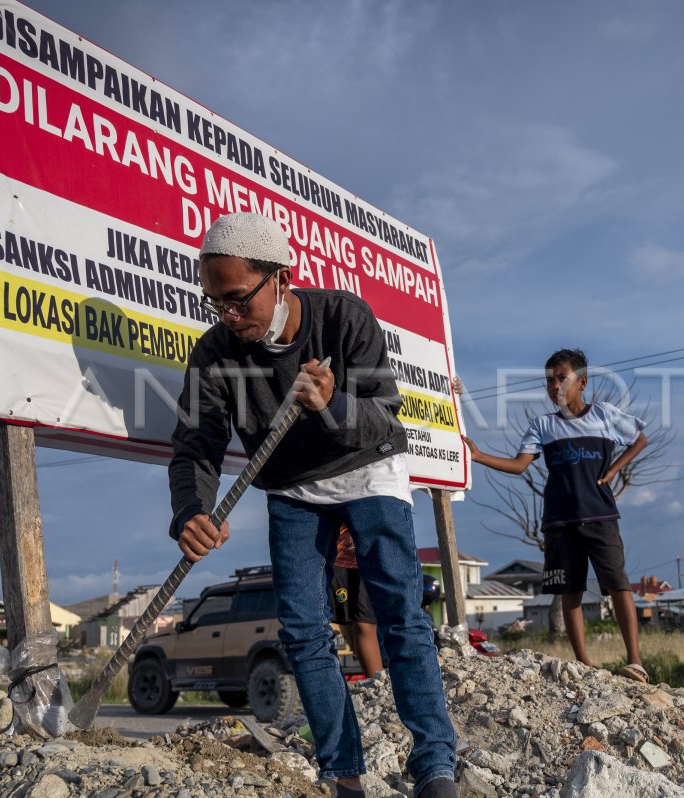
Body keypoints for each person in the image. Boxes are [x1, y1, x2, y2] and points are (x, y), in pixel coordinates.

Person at [168, 212, 456, 798]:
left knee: (399, 613)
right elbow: (195, 445)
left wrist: (333, 402)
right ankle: (342, 773)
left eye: (236, 299)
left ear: (280, 277)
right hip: (291, 489)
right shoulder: (215, 353)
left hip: (368, 468)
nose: (227, 315)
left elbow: (382, 415)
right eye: (213, 302)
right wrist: (190, 512)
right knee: (302, 628)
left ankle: (435, 766)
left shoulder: (344, 318)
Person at [460, 348, 651, 682]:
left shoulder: (604, 416)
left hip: (600, 516)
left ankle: (635, 661)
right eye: (549, 380)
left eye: (562, 378)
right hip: (559, 521)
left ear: (582, 382)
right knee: (570, 591)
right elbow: (519, 465)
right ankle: (583, 664)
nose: (555, 386)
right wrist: (479, 456)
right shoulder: (543, 425)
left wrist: (614, 471)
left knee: (618, 584)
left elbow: (640, 440)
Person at [332, 526, 383, 678]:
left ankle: (382, 688)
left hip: (377, 544)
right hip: (341, 553)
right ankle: (378, 687)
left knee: (401, 620)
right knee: (361, 622)